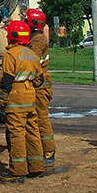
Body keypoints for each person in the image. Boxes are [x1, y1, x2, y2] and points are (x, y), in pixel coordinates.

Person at [0, 20, 44, 182]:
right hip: (30, 98)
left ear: (11, 36)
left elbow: (6, 81)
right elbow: (40, 80)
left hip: (15, 99)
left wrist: (0, 101)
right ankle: (37, 167)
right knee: (33, 132)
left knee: (16, 134)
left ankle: (17, 171)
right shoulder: (31, 54)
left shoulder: (11, 55)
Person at [25, 9, 56, 168]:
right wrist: (7, 22)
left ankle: (49, 153)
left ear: (32, 24)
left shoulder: (37, 41)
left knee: (41, 118)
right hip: (39, 84)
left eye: (26, 22)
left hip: (40, 85)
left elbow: (30, 60)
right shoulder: (36, 38)